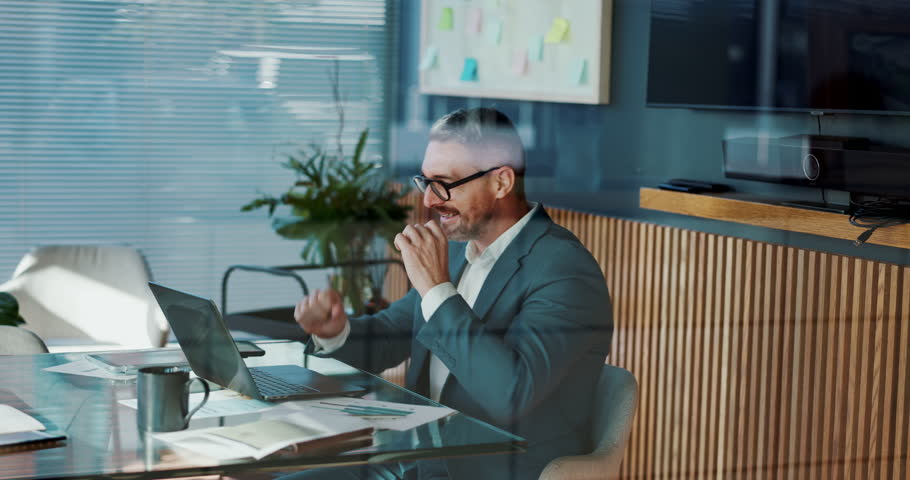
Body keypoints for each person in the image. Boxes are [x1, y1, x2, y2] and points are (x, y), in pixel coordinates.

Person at [289, 107, 613, 480]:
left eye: (444, 183)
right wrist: (334, 333)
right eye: (424, 181)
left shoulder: (564, 269)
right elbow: (392, 334)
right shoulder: (460, 249)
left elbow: (511, 394)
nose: (428, 200)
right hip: (415, 463)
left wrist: (437, 289)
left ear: (501, 182)